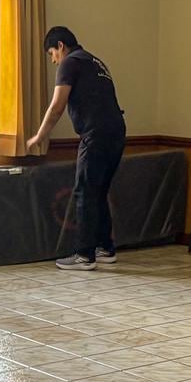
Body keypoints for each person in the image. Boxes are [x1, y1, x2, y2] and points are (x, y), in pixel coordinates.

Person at [25, 27, 127, 272]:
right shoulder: (95, 61)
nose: (53, 60)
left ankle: (84, 255)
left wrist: (40, 135)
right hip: (117, 132)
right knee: (99, 190)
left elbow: (57, 106)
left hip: (95, 135)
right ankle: (105, 249)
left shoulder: (70, 63)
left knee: (84, 192)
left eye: (52, 53)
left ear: (60, 46)